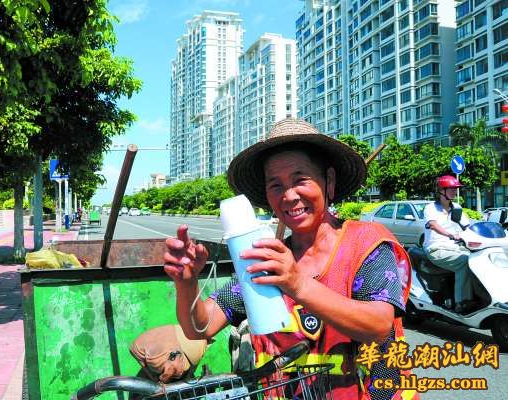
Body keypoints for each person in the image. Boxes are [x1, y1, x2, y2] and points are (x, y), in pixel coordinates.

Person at [163, 119, 416, 400]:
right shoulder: (267, 260)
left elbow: (379, 326)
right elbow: (199, 328)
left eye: (300, 180)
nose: (289, 195)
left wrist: (298, 285)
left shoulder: (366, 243)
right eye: (276, 185)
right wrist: (186, 284)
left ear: (329, 182)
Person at [422, 175, 477, 314]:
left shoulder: (456, 207)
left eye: (455, 188)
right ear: (441, 191)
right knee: (465, 262)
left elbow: (467, 226)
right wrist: (451, 235)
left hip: (455, 247)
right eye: (451, 188)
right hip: (436, 248)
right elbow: (433, 225)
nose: (454, 191)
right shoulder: (431, 208)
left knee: (478, 259)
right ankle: (462, 302)